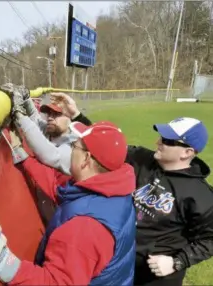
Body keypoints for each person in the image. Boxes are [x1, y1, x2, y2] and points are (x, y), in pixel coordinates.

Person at [51, 92, 213, 286]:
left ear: (188, 152)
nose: (158, 142)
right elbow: (104, 145)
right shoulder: (142, 159)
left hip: (154, 277)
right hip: (121, 261)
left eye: (168, 141)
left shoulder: (200, 195)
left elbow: (209, 239)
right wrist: (77, 115)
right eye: (161, 136)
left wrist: (177, 262)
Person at [0, 120, 137, 285]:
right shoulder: (115, 189)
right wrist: (23, 158)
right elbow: (59, 186)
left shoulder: (84, 227)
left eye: (74, 146)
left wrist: (6, 263)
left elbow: (57, 282)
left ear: (86, 159)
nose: (71, 150)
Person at [0, 83, 82, 175]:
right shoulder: (50, 130)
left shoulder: (74, 144)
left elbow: (52, 156)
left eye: (56, 114)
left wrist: (18, 113)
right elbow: (34, 117)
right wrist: (26, 97)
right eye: (49, 113)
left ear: (70, 119)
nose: (50, 117)